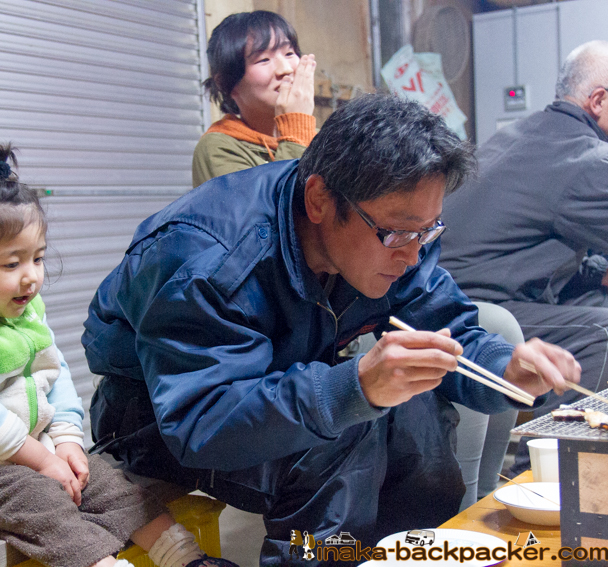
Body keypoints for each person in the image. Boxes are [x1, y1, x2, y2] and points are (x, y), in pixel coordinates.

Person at [83, 95, 580, 566]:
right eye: (398, 232)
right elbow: (202, 423)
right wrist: (355, 388)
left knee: (418, 411)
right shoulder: (208, 258)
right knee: (340, 435)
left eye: (428, 231)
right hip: (156, 415)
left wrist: (507, 367)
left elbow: (449, 332)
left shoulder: (398, 237)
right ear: (320, 199)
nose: (412, 253)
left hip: (261, 385)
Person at [0, 145, 238, 567]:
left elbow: (54, 373)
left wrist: (66, 443)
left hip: (22, 457)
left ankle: (185, 557)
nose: (32, 276)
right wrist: (43, 461)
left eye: (37, 258)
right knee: (41, 499)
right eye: (11, 264)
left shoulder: (21, 310)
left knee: (107, 480)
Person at [438, 40, 608, 474]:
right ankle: (543, 476)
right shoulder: (586, 159)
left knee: (606, 300)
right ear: (598, 100)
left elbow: (527, 241)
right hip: (474, 304)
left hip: (454, 287)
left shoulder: (527, 134)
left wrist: (597, 274)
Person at [192, 10, 316, 187]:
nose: (286, 69)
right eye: (264, 59)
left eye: (289, 53)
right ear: (227, 83)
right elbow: (275, 211)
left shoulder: (319, 136)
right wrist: (295, 128)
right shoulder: (218, 148)